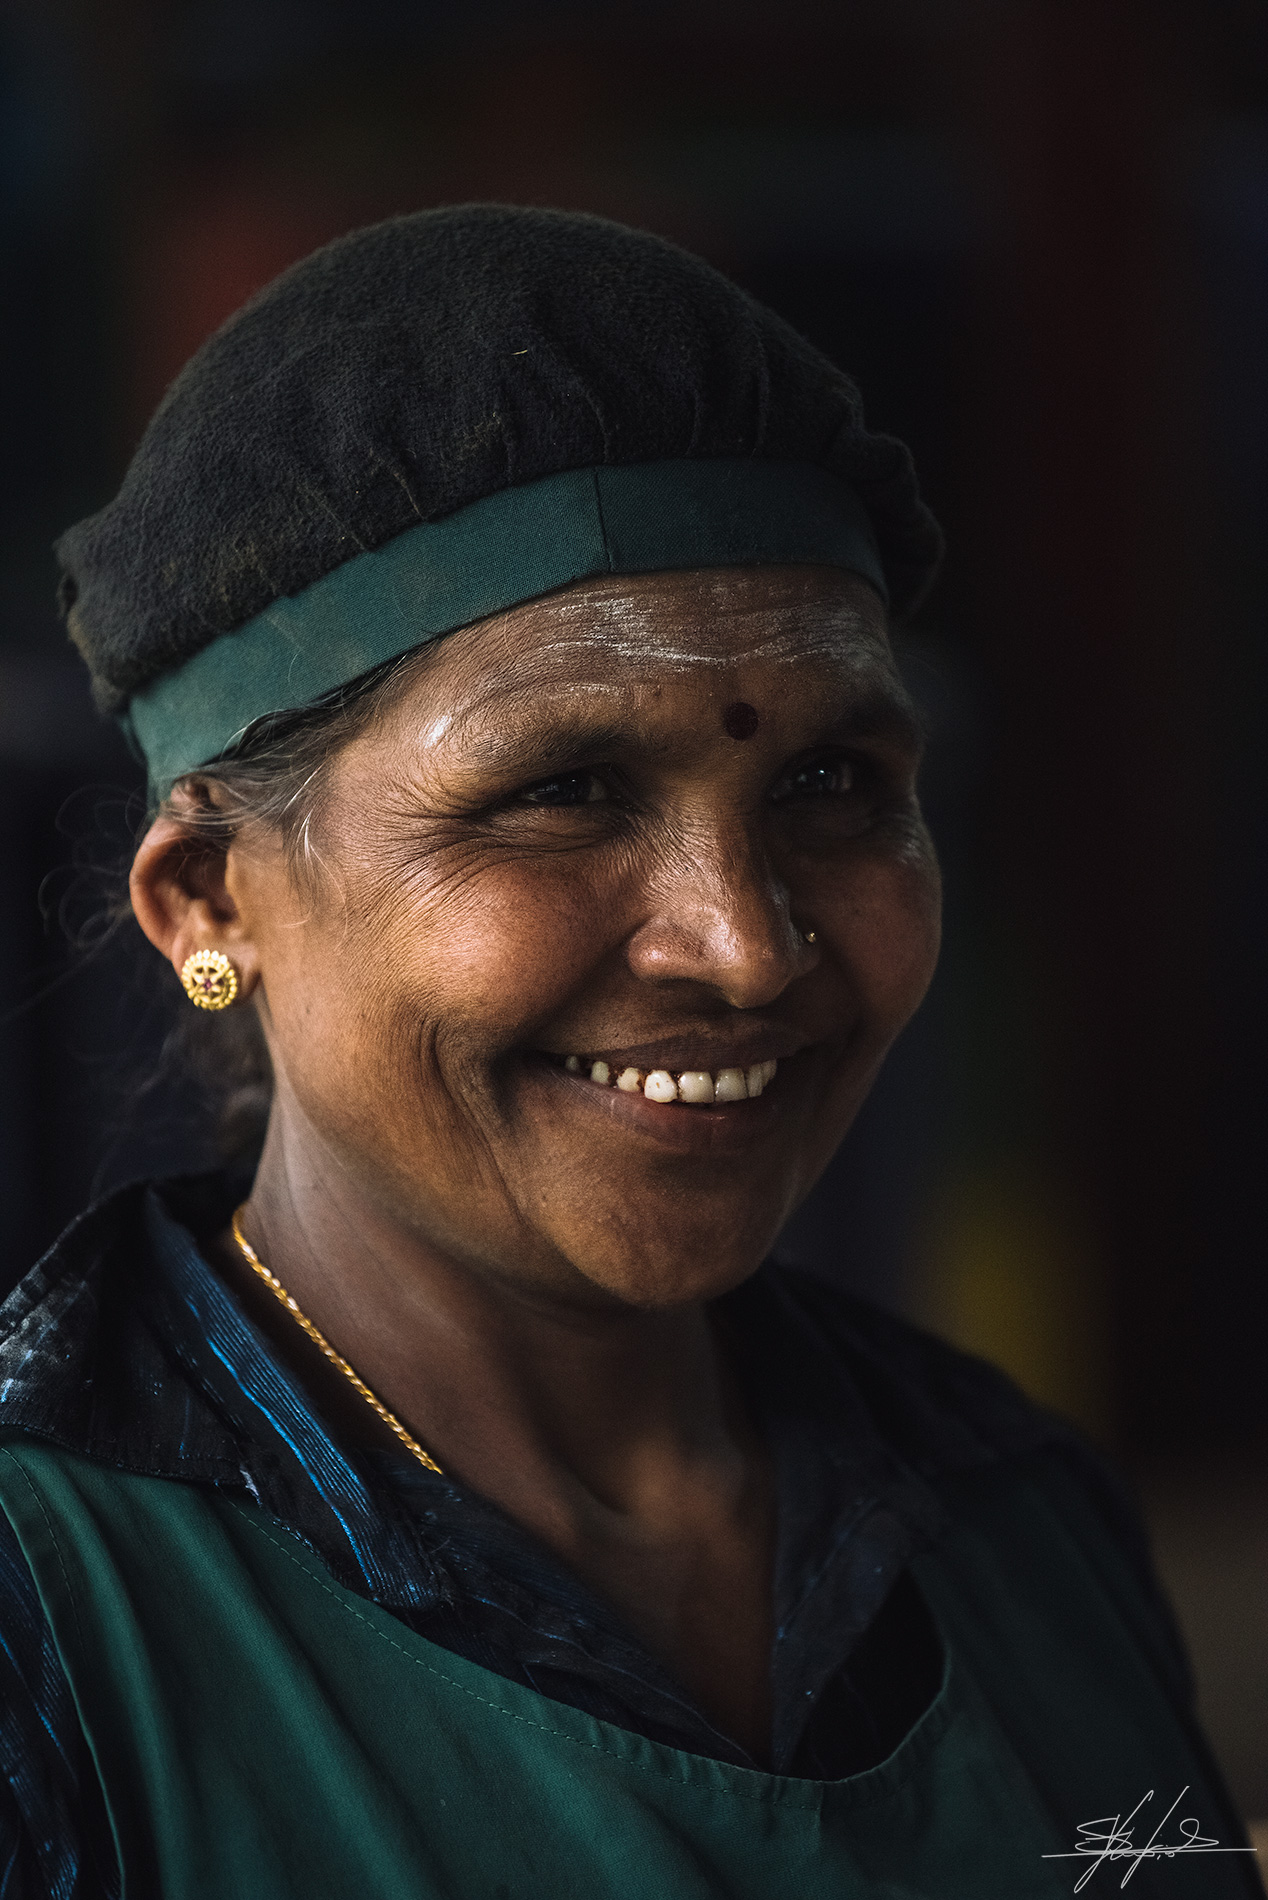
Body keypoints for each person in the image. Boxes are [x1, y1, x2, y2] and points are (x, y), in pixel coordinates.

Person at [0, 206, 1256, 1899]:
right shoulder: (48, 1616)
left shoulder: (1009, 1513)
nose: (744, 947)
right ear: (212, 902)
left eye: (831, 787)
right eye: (562, 791)